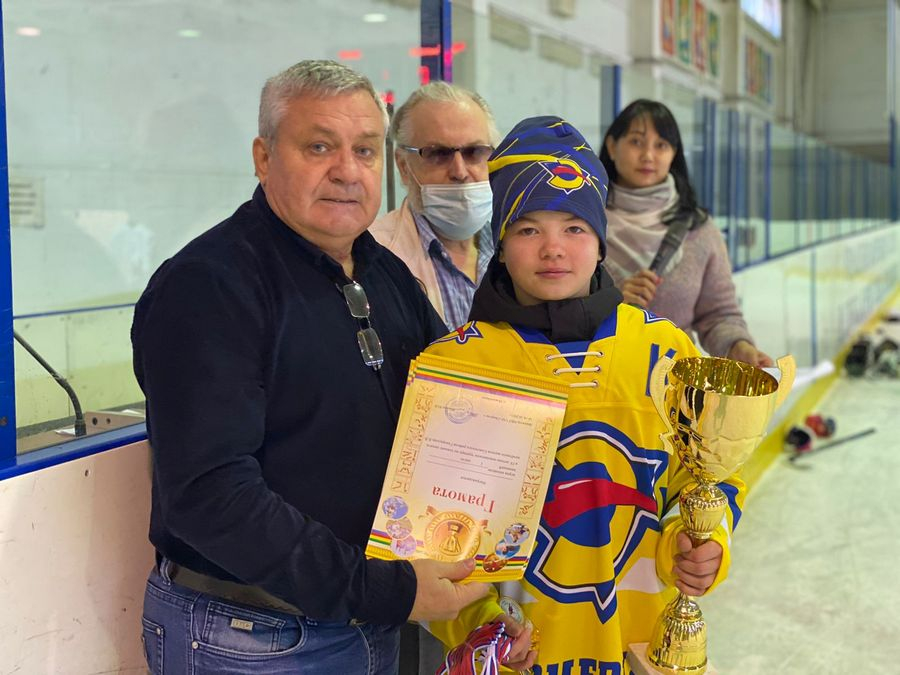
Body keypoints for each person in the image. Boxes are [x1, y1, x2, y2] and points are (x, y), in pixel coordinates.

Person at [131, 60, 488, 674]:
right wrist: (382, 590)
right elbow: (211, 495)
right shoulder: (210, 285)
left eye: (364, 150)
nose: (347, 171)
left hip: (365, 623)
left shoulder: (383, 273)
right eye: (319, 147)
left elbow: (457, 407)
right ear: (263, 157)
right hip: (251, 638)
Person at [422, 116, 746, 673]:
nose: (553, 249)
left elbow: (710, 479)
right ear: (500, 244)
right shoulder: (458, 364)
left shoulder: (665, 350)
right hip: (524, 656)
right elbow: (431, 539)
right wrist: (480, 630)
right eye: (528, 229)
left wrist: (702, 539)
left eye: (574, 228)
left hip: (644, 648)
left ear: (601, 242)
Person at [599, 99, 773, 367]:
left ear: (674, 153)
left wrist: (739, 347)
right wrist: (608, 299)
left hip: (676, 383)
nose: (648, 155)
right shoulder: (583, 223)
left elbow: (718, 315)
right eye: (636, 142)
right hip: (596, 378)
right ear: (612, 146)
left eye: (661, 145)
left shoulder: (698, 229)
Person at [370, 82, 499, 331]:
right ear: (404, 166)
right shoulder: (373, 254)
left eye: (474, 152)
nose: (460, 172)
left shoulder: (515, 245)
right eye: (438, 153)